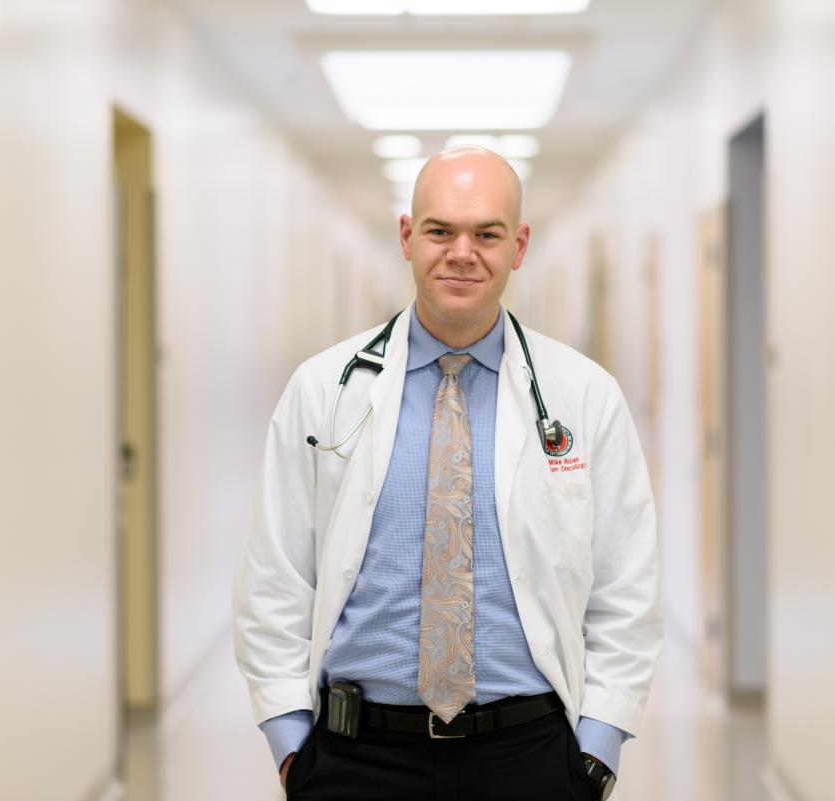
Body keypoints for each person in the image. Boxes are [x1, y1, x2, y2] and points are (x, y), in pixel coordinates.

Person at [233, 146, 661, 801]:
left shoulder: (585, 395)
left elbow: (627, 589)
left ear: (518, 246)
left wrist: (595, 752)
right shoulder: (323, 389)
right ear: (408, 237)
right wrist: (293, 747)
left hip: (531, 757)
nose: (462, 251)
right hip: (356, 758)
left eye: (487, 233)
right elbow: (274, 578)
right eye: (440, 230)